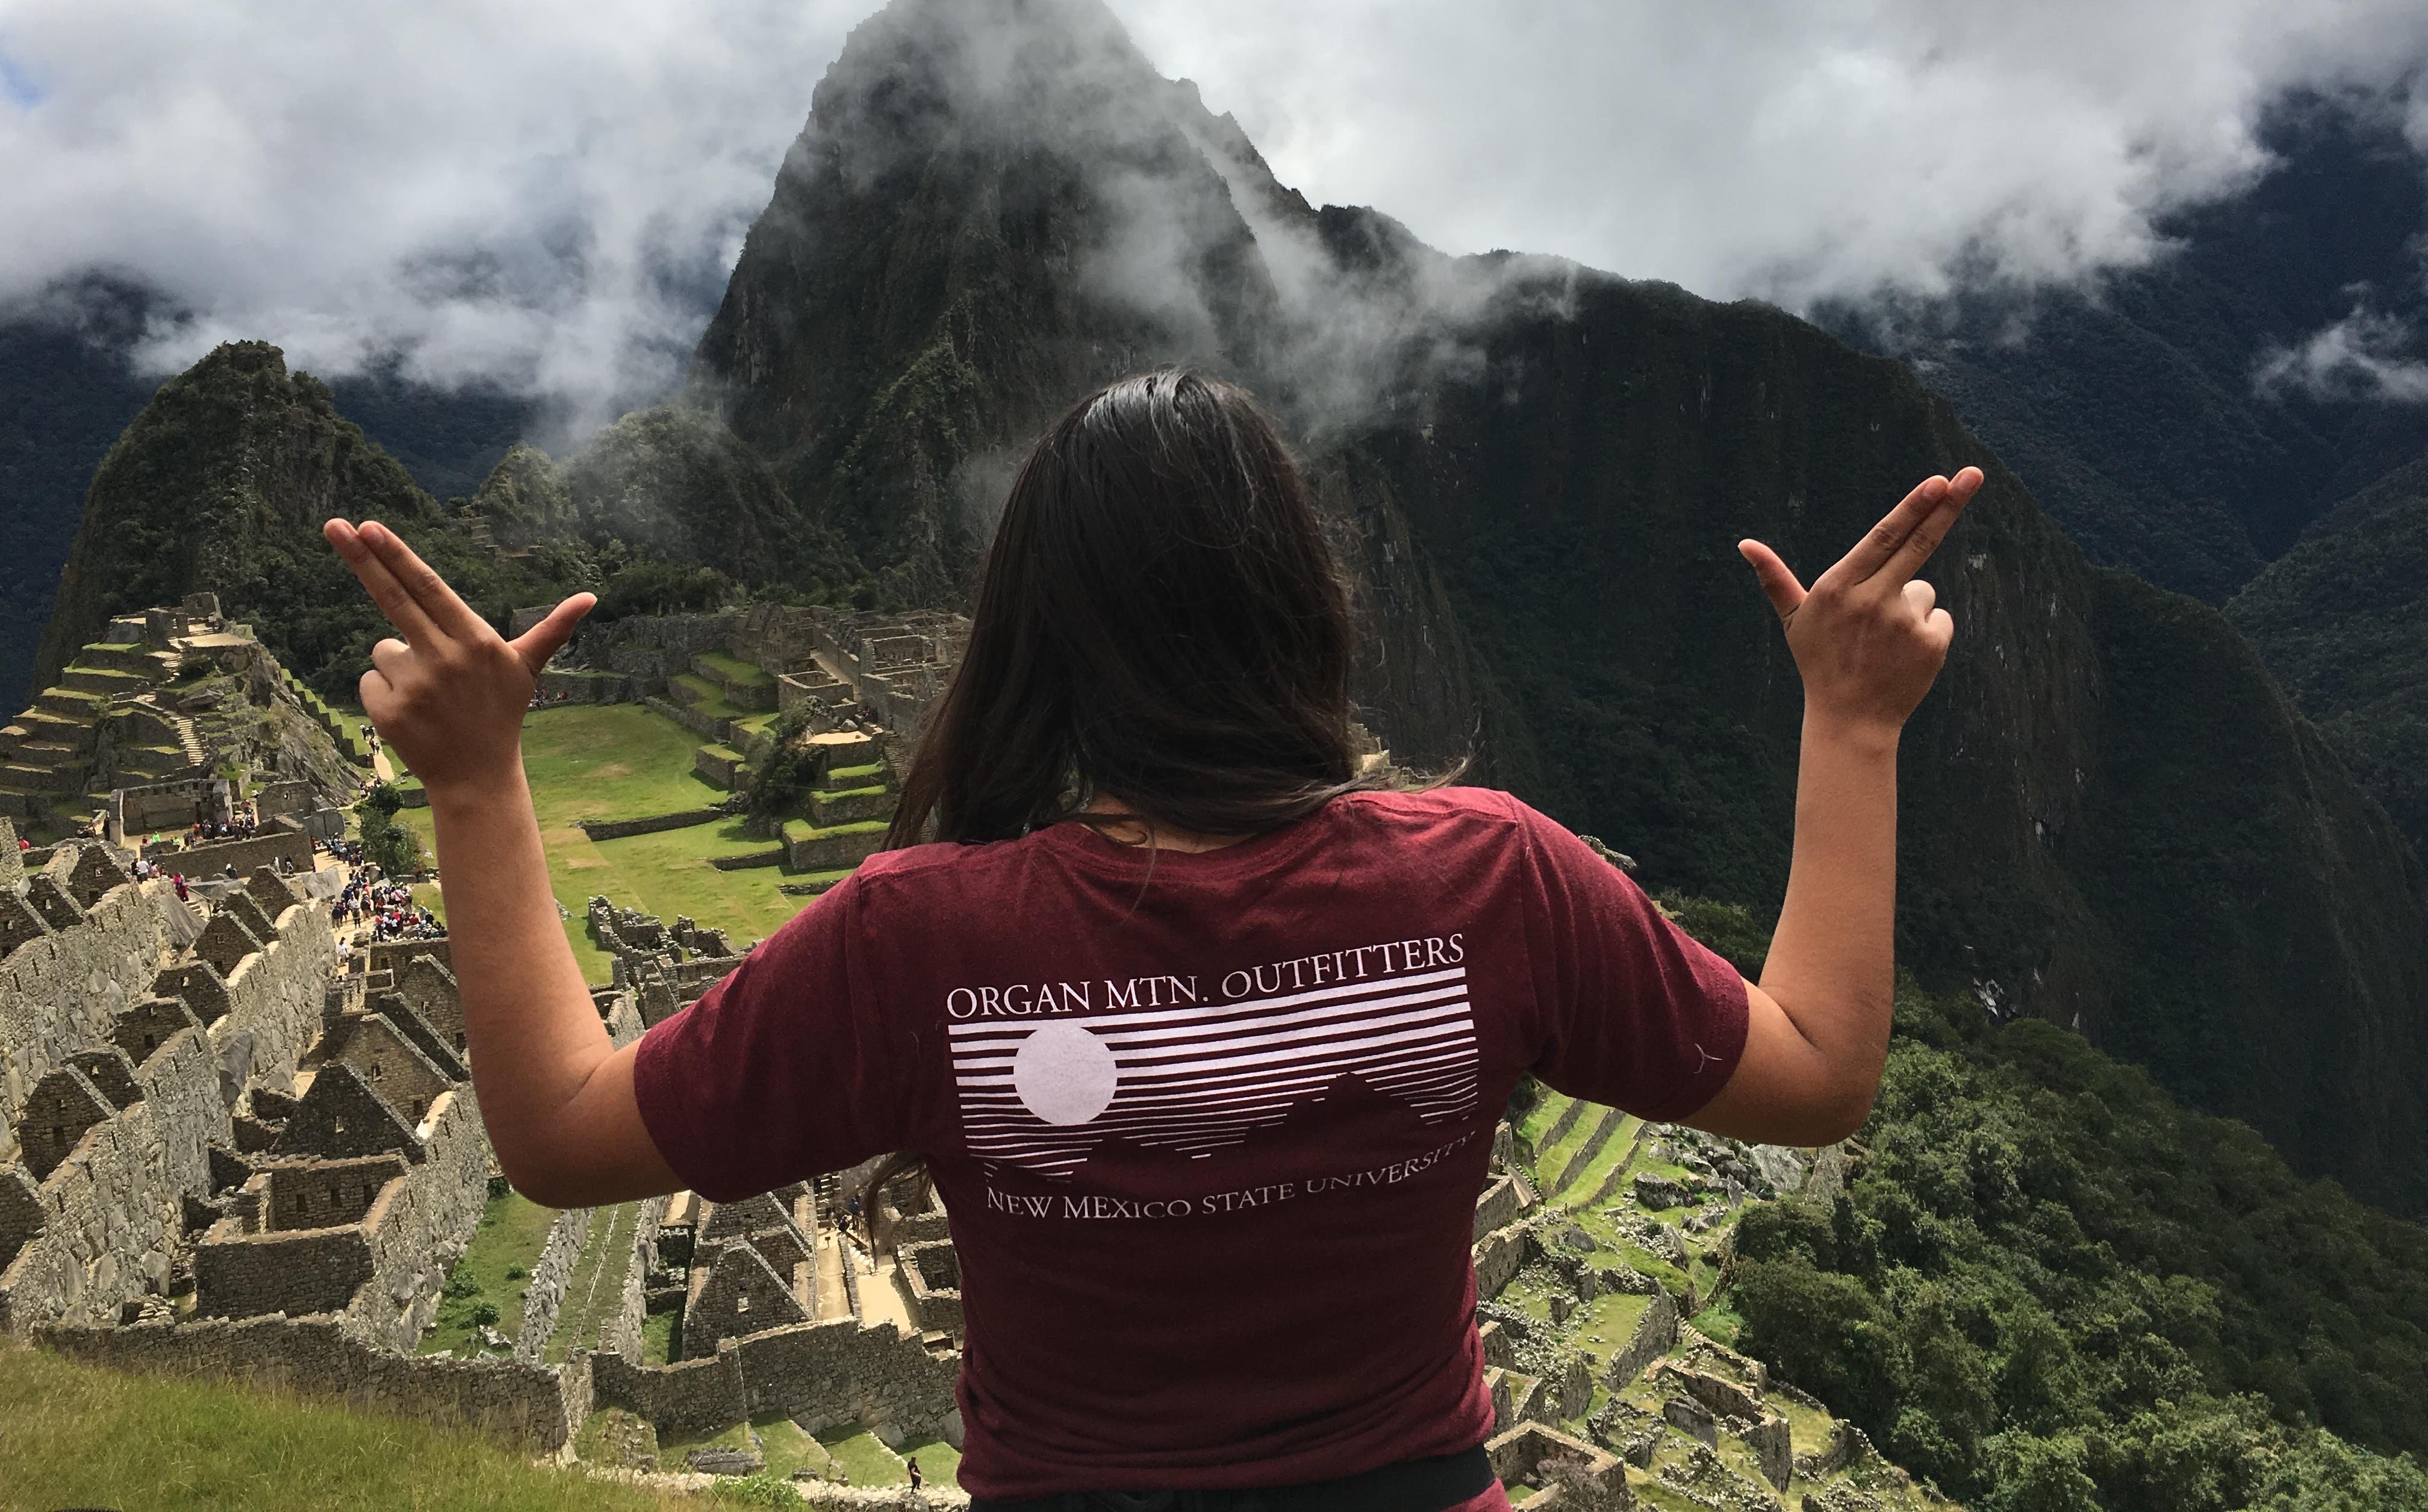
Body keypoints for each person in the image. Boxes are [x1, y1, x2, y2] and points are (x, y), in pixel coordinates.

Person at [325, 370, 1979, 1512]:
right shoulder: (1494, 884)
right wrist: (1853, 724)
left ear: (1033, 635)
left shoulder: (919, 941)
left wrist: (476, 784)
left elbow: (554, 1134)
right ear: (1309, 604)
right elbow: (1817, 1073)